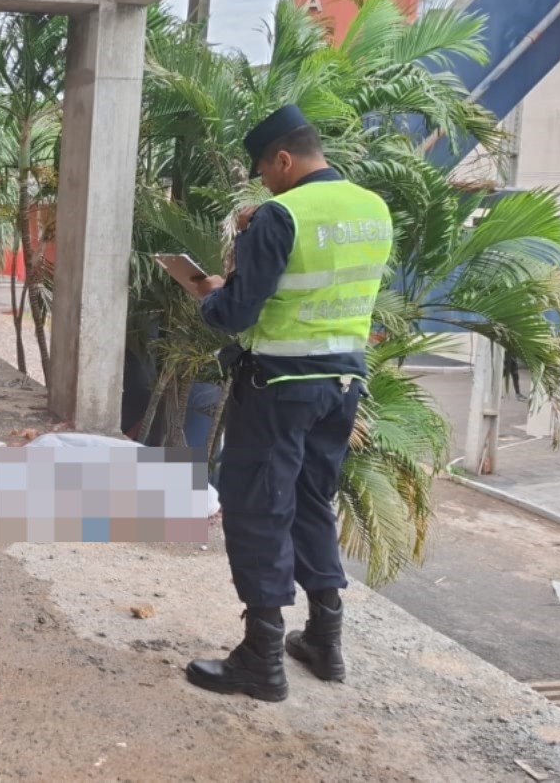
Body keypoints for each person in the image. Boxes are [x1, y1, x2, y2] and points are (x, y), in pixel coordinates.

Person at [180, 105, 394, 702]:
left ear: (282, 159)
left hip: (277, 386)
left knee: (257, 508)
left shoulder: (281, 215)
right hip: (341, 386)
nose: (263, 183)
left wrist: (210, 292)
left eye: (264, 171)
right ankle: (324, 639)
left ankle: (261, 658)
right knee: (309, 500)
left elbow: (236, 313)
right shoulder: (372, 208)